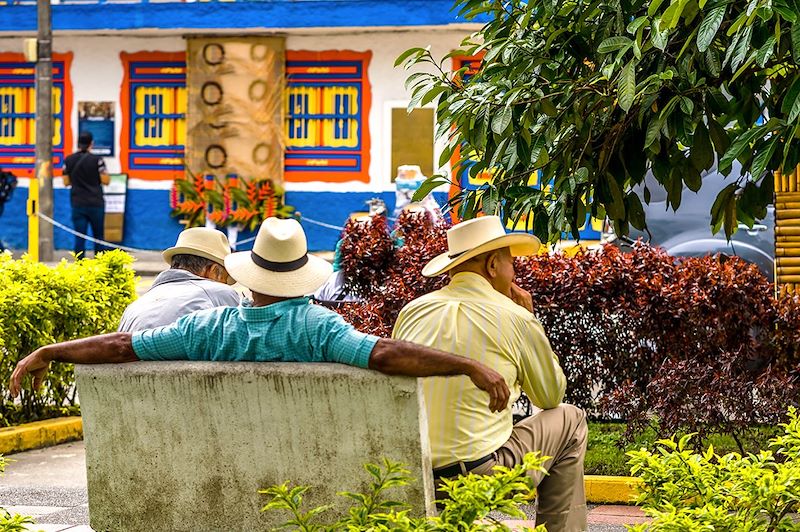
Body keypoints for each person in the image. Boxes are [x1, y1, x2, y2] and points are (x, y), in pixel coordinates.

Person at [10, 218, 510, 416]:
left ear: (251, 275)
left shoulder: (209, 329)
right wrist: (468, 365)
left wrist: (48, 351)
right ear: (300, 275)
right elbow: (384, 353)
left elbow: (121, 347)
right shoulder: (317, 330)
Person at [392, 216, 588, 532]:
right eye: (512, 261)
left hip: (413, 472)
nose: (515, 272)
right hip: (477, 476)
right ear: (494, 265)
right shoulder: (515, 316)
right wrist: (530, 318)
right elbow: (550, 396)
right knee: (571, 419)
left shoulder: (412, 311)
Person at [117, 227, 241, 332]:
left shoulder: (135, 306)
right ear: (213, 271)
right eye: (224, 279)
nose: (225, 285)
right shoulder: (220, 292)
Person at [63, 131, 110, 256]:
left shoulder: (68, 160)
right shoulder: (97, 160)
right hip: (96, 203)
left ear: (78, 144)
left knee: (79, 237)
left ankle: (80, 266)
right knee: (98, 237)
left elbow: (66, 182)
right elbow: (106, 181)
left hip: (78, 203)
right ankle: (100, 265)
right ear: (91, 144)